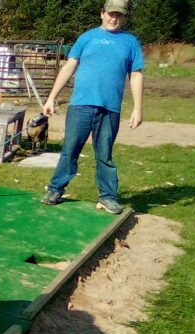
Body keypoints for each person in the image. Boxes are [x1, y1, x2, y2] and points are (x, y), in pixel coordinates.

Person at [41, 0, 143, 214]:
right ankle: (55, 189)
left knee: (104, 154)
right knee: (70, 150)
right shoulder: (87, 38)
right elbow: (69, 67)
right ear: (102, 13)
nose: (114, 18)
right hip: (80, 106)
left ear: (124, 17)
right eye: (110, 14)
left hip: (110, 108)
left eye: (119, 15)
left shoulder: (130, 42)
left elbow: (135, 75)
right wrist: (51, 98)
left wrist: (137, 108)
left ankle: (107, 197)